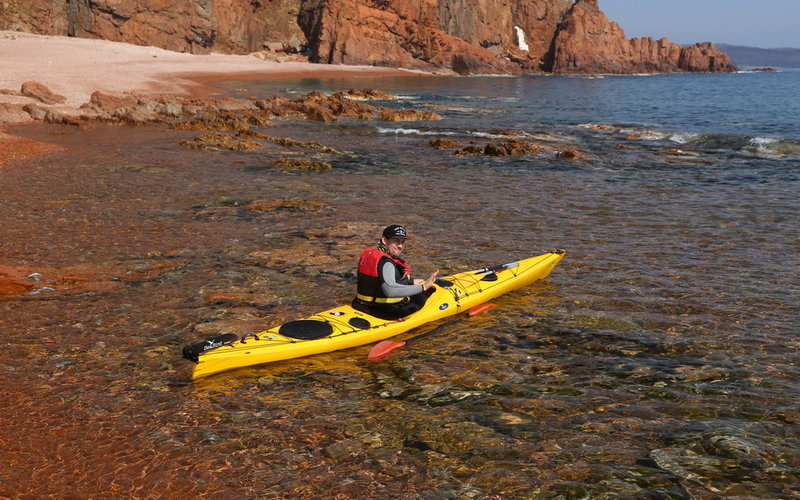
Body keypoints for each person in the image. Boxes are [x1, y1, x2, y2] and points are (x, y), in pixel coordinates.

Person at [352, 224, 440, 320]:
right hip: (383, 312)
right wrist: (423, 287)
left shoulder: (373, 256)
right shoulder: (386, 262)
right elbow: (390, 290)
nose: (400, 246)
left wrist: (410, 282)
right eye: (396, 241)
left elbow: (380, 281)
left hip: (360, 305)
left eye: (402, 242)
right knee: (422, 299)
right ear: (385, 240)